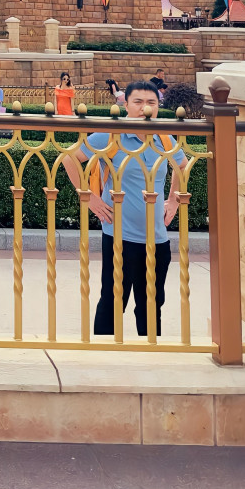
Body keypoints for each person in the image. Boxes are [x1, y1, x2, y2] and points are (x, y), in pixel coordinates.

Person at [66, 80, 187, 337]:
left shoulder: (164, 138)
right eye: (138, 102)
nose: (145, 107)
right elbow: (69, 159)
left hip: (156, 238)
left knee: (151, 304)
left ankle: (150, 352)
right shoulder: (112, 135)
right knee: (112, 301)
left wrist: (174, 201)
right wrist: (89, 198)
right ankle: (105, 355)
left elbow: (182, 165)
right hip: (119, 236)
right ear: (126, 105)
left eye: (151, 102)